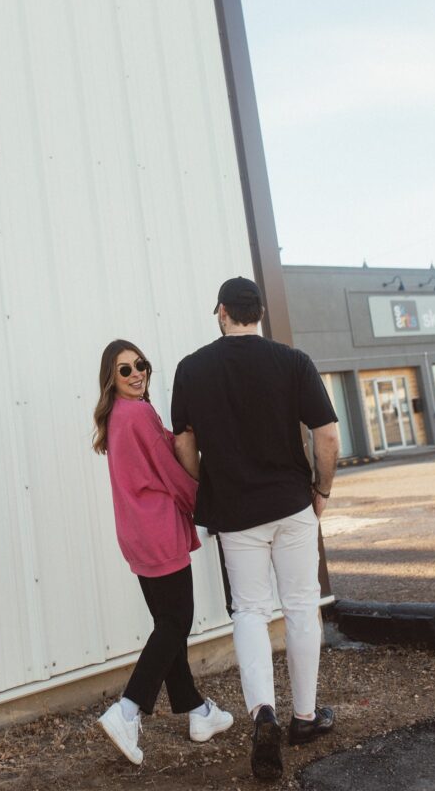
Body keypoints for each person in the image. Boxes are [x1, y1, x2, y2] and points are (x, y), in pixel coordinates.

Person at [171, 278, 340, 783]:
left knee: (248, 609)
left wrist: (212, 477)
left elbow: (183, 444)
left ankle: (262, 712)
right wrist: (321, 490)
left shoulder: (192, 368)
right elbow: (327, 435)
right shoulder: (293, 362)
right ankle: (305, 718)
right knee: (301, 606)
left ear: (222, 312)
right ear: (260, 313)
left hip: (236, 513)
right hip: (291, 504)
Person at [93, 339, 233, 766]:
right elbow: (171, 470)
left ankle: (197, 712)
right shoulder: (138, 413)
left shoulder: (117, 417)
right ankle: (128, 709)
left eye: (141, 365)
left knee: (166, 624)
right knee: (176, 623)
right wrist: (206, 505)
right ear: (110, 380)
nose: (137, 373)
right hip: (159, 533)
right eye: (125, 369)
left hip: (136, 536)